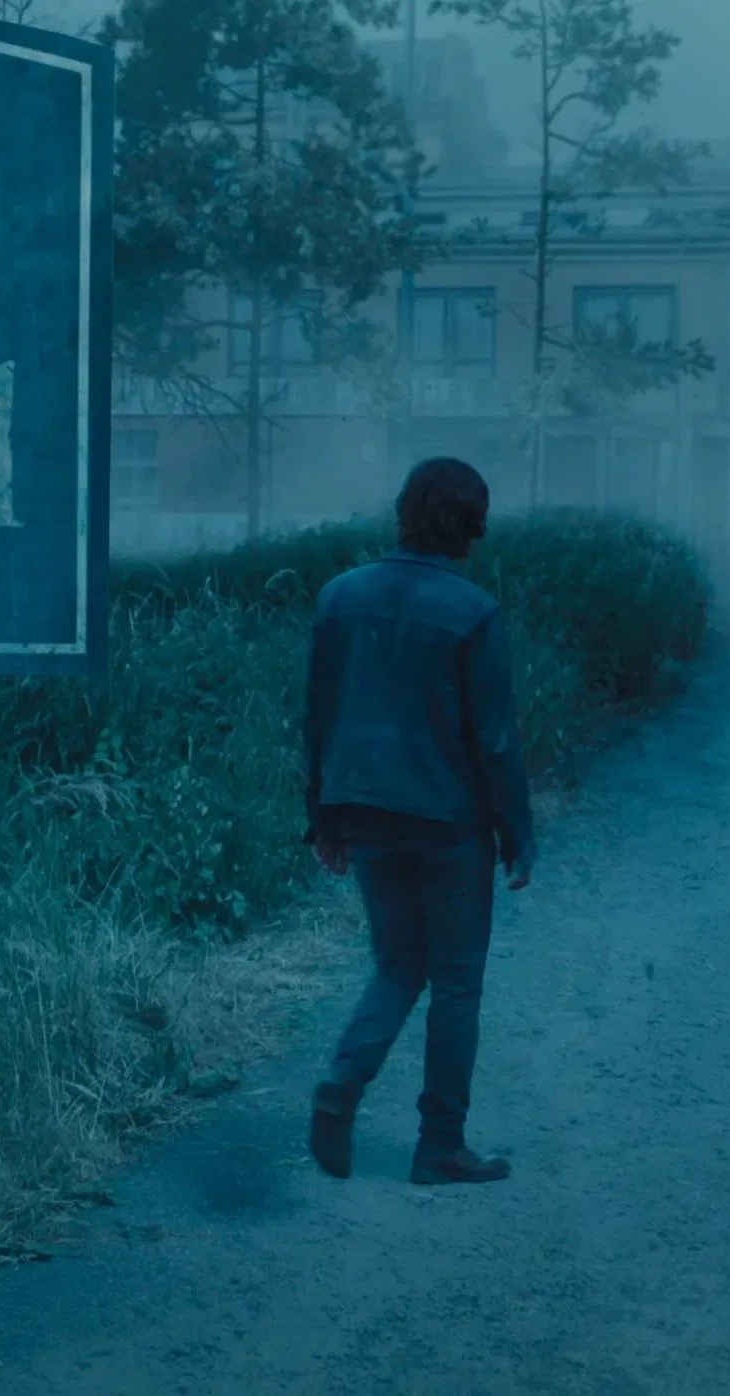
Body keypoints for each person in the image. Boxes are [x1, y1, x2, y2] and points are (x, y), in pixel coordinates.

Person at [301, 456, 535, 1186]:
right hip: (448, 822)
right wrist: (518, 834)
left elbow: (319, 718)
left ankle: (340, 1087)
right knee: (456, 981)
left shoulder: (340, 597)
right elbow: (494, 740)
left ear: (404, 510)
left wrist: (324, 819)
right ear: (472, 524)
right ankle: (439, 1146)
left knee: (398, 965)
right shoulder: (472, 612)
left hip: (367, 814)